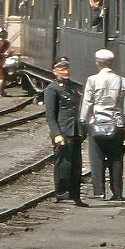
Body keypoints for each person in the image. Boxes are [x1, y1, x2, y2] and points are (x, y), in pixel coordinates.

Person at [79, 48, 125, 199]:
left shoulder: (92, 80)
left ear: (98, 63)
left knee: (96, 158)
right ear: (112, 63)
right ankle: (117, 192)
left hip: (97, 124)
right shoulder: (122, 81)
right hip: (116, 124)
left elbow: (87, 102)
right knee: (116, 159)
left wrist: (83, 120)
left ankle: (99, 191)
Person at [41, 57, 83, 204]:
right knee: (64, 164)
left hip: (75, 131)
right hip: (63, 131)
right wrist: (56, 134)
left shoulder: (72, 87)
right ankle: (62, 192)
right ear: (55, 71)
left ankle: (75, 193)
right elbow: (50, 115)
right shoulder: (52, 89)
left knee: (76, 165)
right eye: (62, 69)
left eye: (67, 69)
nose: (65, 72)